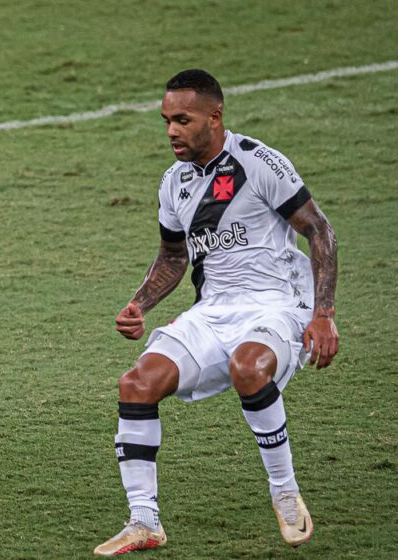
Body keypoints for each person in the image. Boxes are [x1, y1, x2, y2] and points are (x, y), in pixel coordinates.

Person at [93, 69, 339, 556]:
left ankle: (285, 491)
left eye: (182, 120)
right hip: (213, 310)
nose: (171, 132)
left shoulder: (257, 162)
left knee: (247, 367)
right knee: (136, 383)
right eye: (165, 121)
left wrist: (324, 313)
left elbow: (320, 232)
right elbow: (172, 257)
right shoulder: (174, 183)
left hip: (277, 306)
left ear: (214, 116)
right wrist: (139, 304)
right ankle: (144, 521)